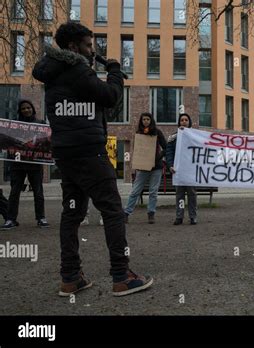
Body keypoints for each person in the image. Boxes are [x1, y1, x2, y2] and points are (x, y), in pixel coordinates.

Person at [32, 22, 153, 296]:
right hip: (89, 152)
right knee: (112, 210)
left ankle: (70, 278)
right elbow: (110, 97)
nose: (92, 50)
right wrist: (114, 72)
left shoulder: (51, 70)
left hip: (65, 152)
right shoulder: (76, 69)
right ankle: (122, 276)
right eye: (88, 45)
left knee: (72, 213)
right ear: (73, 47)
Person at [2, 100, 50, 230]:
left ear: (33, 109)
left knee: (38, 192)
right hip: (17, 163)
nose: (26, 110)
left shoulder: (40, 124)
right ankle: (10, 219)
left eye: (28, 108)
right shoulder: (13, 125)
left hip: (34, 163)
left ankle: (41, 218)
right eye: (23, 108)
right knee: (14, 192)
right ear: (20, 110)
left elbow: (46, 142)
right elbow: (7, 141)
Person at [124, 112, 166, 224]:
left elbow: (166, 147)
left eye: (147, 119)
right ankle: (126, 213)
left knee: (153, 192)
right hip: (143, 167)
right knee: (135, 191)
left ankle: (151, 213)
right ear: (141, 121)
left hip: (156, 167)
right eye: (144, 119)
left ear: (151, 120)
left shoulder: (157, 132)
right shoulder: (139, 133)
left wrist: (157, 157)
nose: (145, 121)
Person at [166, 113, 198, 225]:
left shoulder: (195, 136)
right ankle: (179, 216)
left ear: (189, 122)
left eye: (186, 120)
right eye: (182, 120)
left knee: (192, 194)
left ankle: (193, 216)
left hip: (190, 171)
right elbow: (169, 152)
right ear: (179, 122)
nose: (184, 121)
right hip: (178, 171)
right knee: (179, 195)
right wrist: (170, 165)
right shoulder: (173, 137)